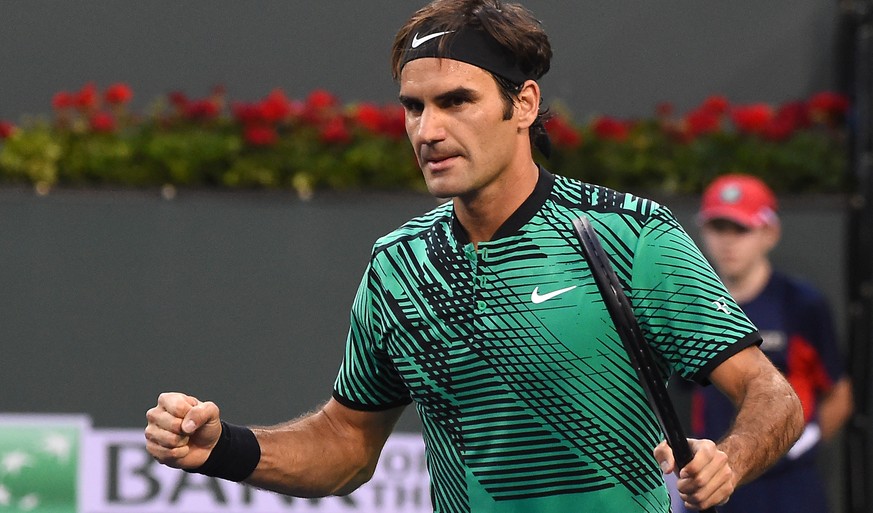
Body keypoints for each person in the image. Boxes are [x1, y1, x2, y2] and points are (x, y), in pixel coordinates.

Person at [144, 2, 804, 511]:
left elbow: (770, 394)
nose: (428, 130)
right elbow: (347, 444)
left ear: (523, 104)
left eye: (456, 101)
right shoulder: (397, 264)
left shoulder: (631, 236)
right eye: (413, 107)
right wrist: (221, 447)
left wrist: (730, 457)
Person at [680, 174, 854, 513]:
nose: (728, 242)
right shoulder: (691, 304)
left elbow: (839, 394)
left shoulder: (801, 304)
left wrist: (803, 443)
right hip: (714, 484)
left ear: (769, 233)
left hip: (787, 488)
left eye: (740, 229)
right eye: (718, 227)